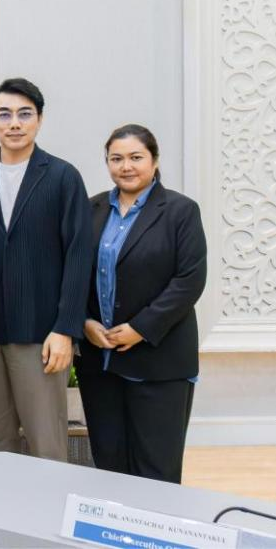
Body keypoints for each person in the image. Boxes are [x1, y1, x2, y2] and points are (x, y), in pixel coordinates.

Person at [0, 78, 94, 461]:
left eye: (24, 114)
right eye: (4, 114)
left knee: (47, 443)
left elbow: (79, 255)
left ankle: (51, 504)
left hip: (41, 336)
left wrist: (65, 329)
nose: (14, 123)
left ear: (39, 119)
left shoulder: (62, 176)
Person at [76, 124, 206, 483]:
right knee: (109, 467)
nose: (126, 166)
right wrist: (84, 322)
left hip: (159, 361)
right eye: (116, 159)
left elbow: (189, 281)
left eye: (136, 157)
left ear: (154, 160)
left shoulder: (180, 211)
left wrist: (140, 328)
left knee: (156, 472)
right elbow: (73, 274)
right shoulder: (91, 209)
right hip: (100, 363)